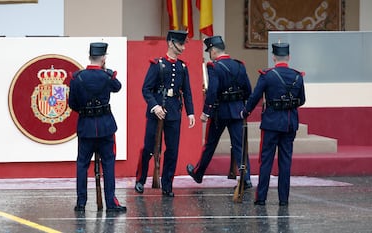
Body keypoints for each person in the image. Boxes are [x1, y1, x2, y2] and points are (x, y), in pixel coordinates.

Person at [241, 42, 306, 206]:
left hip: (271, 124)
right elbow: (302, 100)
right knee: (285, 162)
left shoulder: (267, 75)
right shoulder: (298, 76)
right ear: (289, 57)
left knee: (266, 161)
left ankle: (261, 197)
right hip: (290, 124)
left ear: (274, 57)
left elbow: (255, 97)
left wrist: (245, 112)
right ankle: (283, 199)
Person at [186, 35, 253, 189]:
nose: (210, 53)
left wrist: (205, 112)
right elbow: (248, 89)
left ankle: (198, 173)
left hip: (219, 112)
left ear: (214, 51)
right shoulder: (239, 65)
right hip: (237, 111)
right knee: (240, 146)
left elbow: (212, 92)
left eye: (210, 51)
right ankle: (246, 178)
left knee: (210, 144)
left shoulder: (214, 67)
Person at [135, 30, 196, 197]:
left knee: (172, 150)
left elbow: (187, 92)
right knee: (149, 148)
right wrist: (155, 106)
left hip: (174, 112)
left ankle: (167, 184)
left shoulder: (182, 67)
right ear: (170, 43)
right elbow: (146, 89)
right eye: (180, 44)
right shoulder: (157, 64)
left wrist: (190, 113)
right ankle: (140, 180)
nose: (183, 47)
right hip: (156, 113)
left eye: (184, 44)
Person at [69, 42, 126, 212]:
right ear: (103, 58)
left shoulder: (77, 78)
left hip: (86, 127)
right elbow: (118, 87)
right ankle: (110, 202)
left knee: (82, 164)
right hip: (105, 127)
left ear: (89, 57)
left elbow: (72, 103)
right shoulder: (107, 76)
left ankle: (81, 202)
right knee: (108, 164)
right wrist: (105, 70)